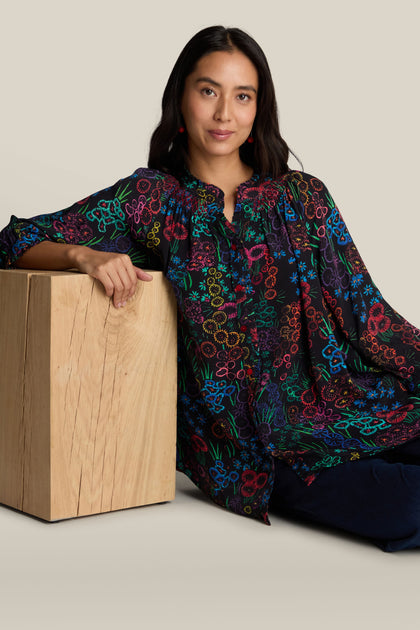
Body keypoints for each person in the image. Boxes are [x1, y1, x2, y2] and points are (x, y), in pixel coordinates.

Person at [1, 25, 420, 552]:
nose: (224, 114)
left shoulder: (302, 196)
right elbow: (16, 239)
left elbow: (369, 316)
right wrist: (83, 255)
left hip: (355, 404)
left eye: (242, 96)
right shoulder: (153, 200)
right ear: (181, 98)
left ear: (258, 109)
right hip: (257, 446)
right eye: (208, 91)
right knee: (408, 505)